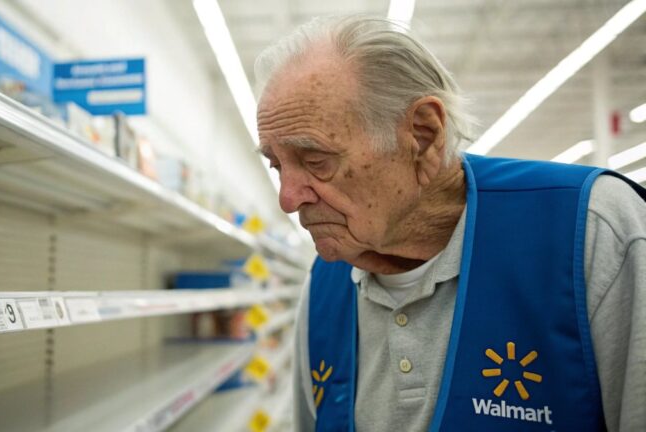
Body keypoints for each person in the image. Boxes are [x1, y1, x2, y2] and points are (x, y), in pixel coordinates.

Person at [254, 15, 646, 432]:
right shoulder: (324, 288)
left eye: (317, 162)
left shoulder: (591, 232)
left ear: (422, 135)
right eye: (278, 166)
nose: (288, 199)